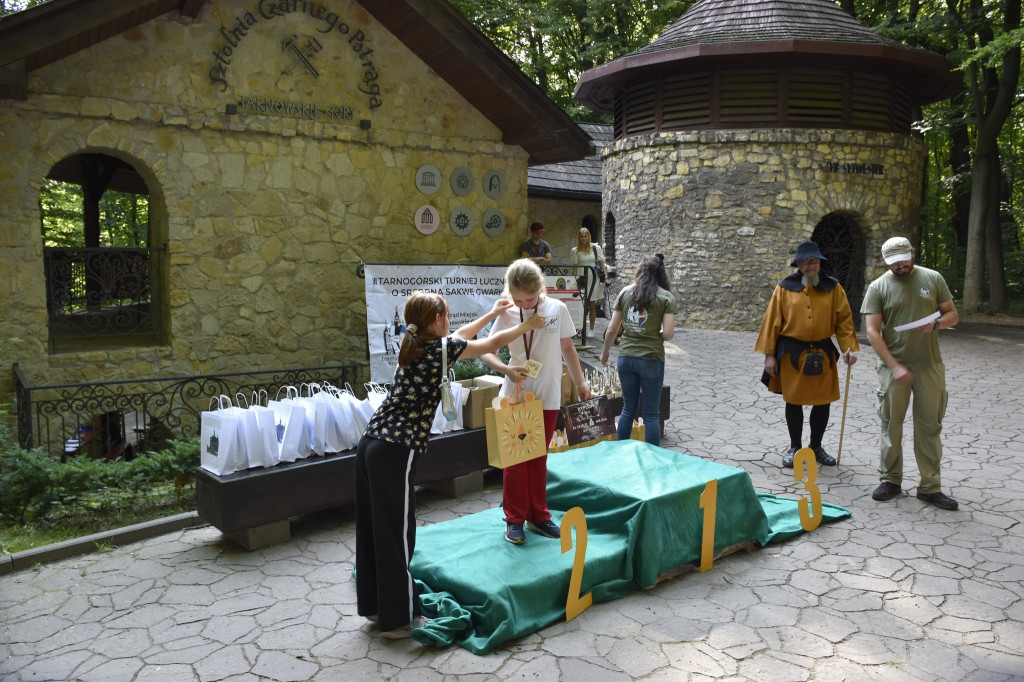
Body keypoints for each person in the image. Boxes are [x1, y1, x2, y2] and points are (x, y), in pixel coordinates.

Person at [355, 291, 544, 638]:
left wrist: (491, 312)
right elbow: (494, 341)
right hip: (394, 449)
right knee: (398, 534)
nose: (450, 320)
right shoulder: (438, 350)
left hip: (370, 444)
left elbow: (463, 336)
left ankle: (374, 606)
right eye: (446, 315)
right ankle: (397, 620)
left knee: (372, 529)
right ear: (437, 321)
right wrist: (529, 323)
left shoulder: (412, 345)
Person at [481, 259, 592, 545]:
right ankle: (515, 518)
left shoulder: (557, 309)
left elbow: (567, 347)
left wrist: (580, 382)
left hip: (547, 395)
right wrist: (506, 369)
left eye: (529, 298)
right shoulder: (507, 312)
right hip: (516, 395)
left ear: (541, 288)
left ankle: (539, 516)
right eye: (517, 298)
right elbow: (487, 351)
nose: (524, 303)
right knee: (516, 460)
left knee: (538, 459)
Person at [861, 236, 960, 510]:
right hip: (893, 367)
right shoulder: (878, 287)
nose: (900, 266)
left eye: (904, 260)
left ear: (912, 254)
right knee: (891, 424)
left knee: (930, 426)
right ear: (886, 262)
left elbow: (953, 314)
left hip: (929, 365)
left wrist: (936, 324)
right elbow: (871, 332)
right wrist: (894, 366)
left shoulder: (933, 278)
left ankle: (930, 487)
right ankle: (891, 480)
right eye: (894, 263)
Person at [754, 240, 859, 468]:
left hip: (823, 352)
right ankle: (795, 447)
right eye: (807, 261)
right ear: (799, 264)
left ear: (820, 263)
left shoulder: (833, 288)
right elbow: (772, 322)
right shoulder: (784, 288)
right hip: (792, 353)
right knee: (794, 401)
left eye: (815, 261)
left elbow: (844, 321)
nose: (812, 265)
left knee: (823, 402)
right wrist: (769, 355)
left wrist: (848, 348)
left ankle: (816, 446)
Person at [600, 254, 677, 446]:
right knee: (651, 414)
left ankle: (622, 453)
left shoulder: (625, 293)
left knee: (628, 408)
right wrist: (653, 331)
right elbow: (668, 334)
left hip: (626, 357)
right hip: (651, 358)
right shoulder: (666, 297)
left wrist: (605, 352)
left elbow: (612, 329)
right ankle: (652, 458)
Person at [570, 227, 607, 332]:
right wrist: (574, 281)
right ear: (578, 237)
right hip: (581, 279)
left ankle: (591, 329)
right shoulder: (575, 250)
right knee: (580, 304)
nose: (583, 239)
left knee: (591, 305)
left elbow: (602, 263)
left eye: (585, 236)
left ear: (589, 236)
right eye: (581, 236)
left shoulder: (596, 248)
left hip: (594, 279)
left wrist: (606, 277)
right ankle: (579, 328)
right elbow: (575, 267)